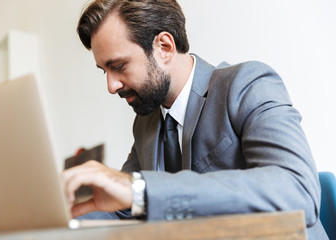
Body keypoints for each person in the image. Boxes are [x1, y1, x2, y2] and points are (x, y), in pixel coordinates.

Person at [61, 0, 328, 238]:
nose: (111, 85)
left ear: (164, 46)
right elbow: (121, 208)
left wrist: (141, 190)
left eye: (118, 66)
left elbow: (298, 191)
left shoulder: (246, 85)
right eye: (104, 70)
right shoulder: (145, 123)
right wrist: (56, 218)